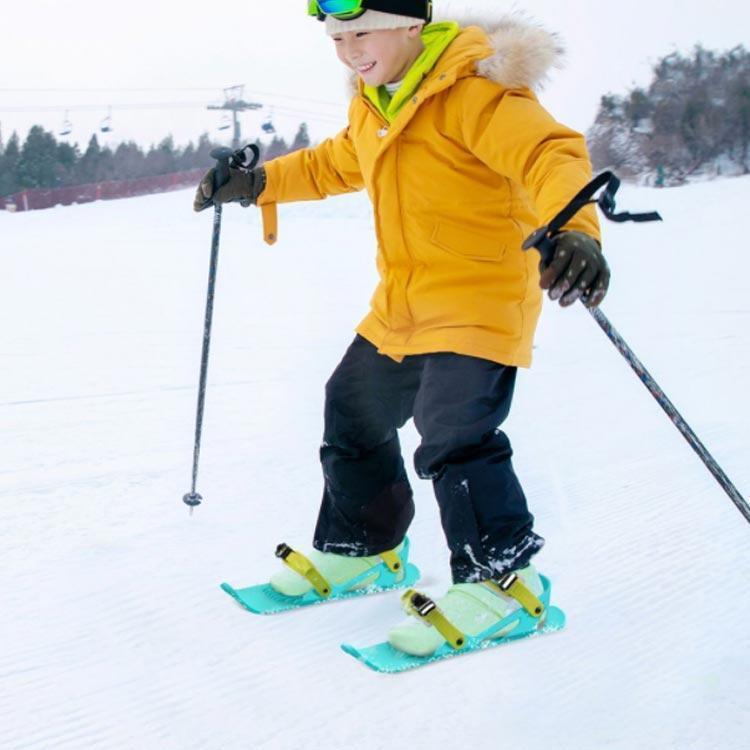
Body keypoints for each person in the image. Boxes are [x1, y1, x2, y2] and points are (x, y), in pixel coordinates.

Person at [193, 0, 609, 657]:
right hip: (405, 304)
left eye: (361, 33)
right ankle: (366, 547)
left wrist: (576, 230)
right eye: (336, 39)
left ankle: (504, 585)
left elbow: (549, 154)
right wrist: (258, 181)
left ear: (411, 24)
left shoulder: (475, 92)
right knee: (352, 409)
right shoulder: (377, 102)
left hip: (479, 299)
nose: (348, 51)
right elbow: (336, 163)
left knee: (454, 432)